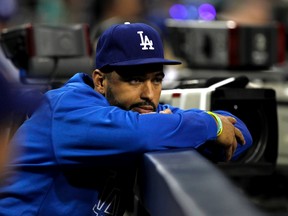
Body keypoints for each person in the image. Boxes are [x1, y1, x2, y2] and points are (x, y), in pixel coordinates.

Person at [0, 22, 253, 216]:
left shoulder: (134, 112)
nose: (148, 93)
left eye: (156, 79)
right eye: (134, 79)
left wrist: (212, 126)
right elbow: (141, 132)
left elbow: (243, 135)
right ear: (100, 81)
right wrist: (212, 124)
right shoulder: (68, 108)